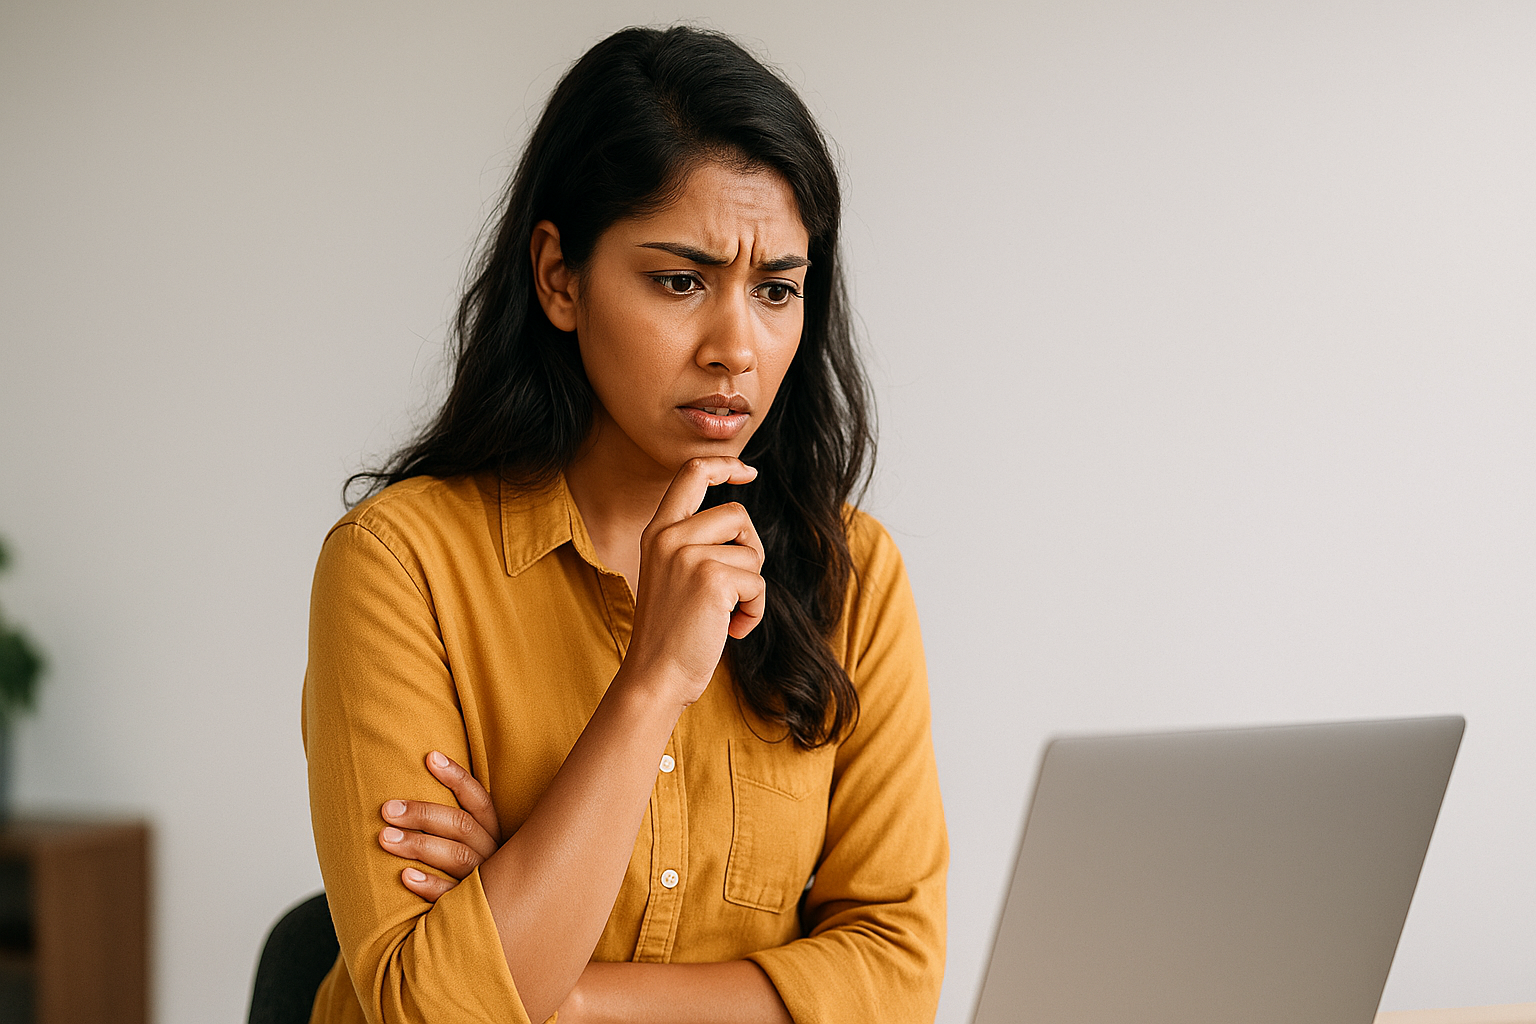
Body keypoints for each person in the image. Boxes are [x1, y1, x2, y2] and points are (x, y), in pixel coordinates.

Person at [301, 25, 946, 1024]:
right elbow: (430, 1012)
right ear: (559, 277)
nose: (736, 346)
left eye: (776, 289)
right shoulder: (399, 566)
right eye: (680, 281)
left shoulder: (853, 572)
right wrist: (651, 684)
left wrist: (556, 983)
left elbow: (895, 977)